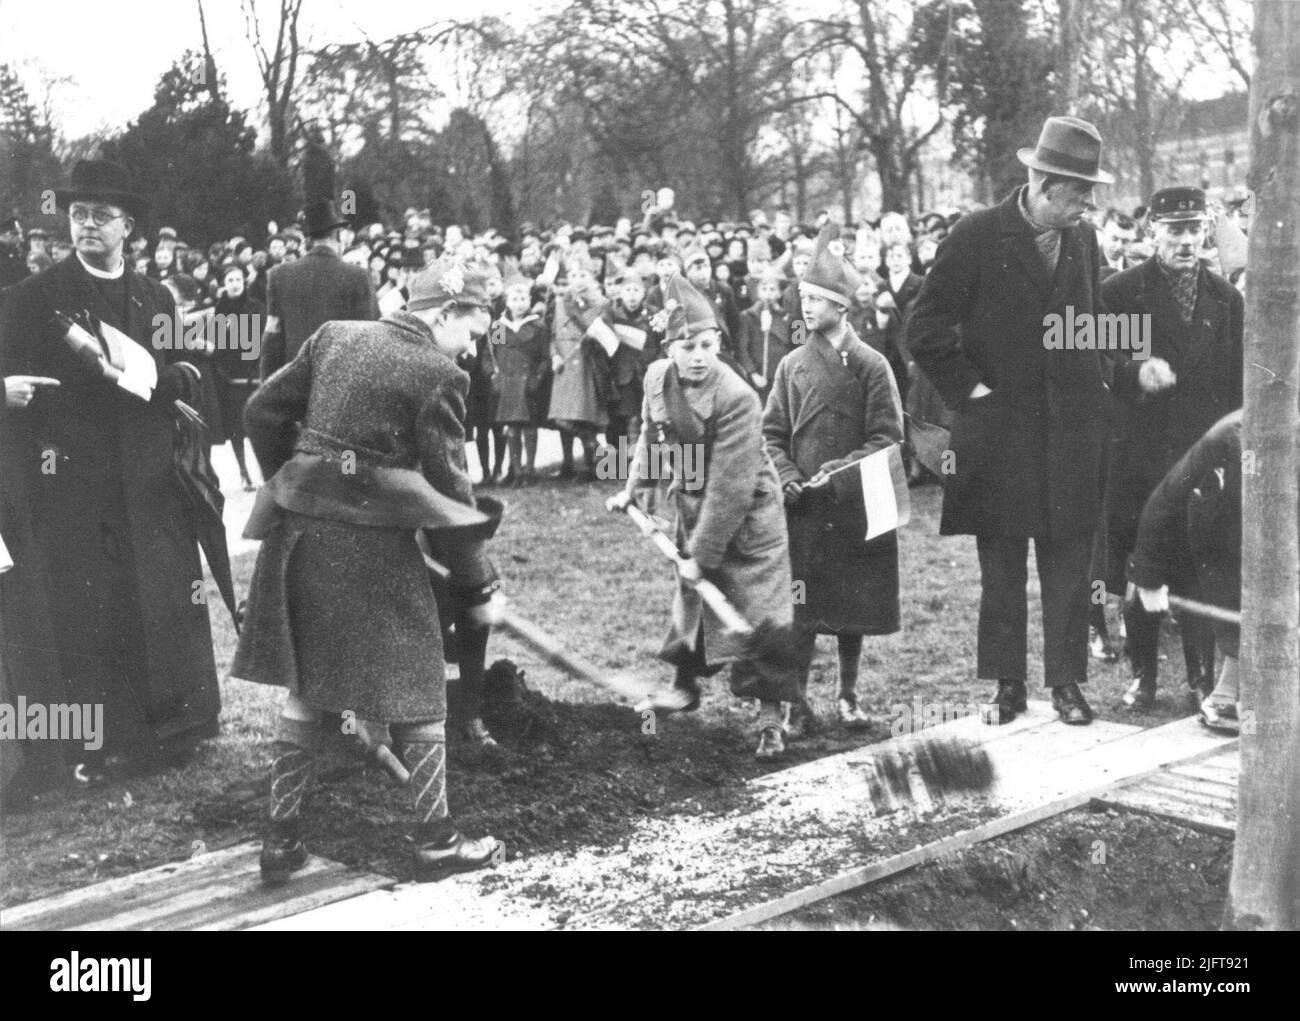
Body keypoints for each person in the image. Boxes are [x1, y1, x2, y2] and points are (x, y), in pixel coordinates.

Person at [233, 261, 504, 882]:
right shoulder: (439, 373)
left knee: (307, 684)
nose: (473, 347)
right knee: (419, 683)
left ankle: (279, 842)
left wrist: (306, 478)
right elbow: (450, 489)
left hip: (298, 537)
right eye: (473, 331)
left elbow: (258, 412)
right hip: (370, 553)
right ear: (442, 316)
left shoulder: (335, 334)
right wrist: (479, 584)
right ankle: (437, 843)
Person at [0, 159, 222, 788]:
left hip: (151, 480)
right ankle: (102, 744)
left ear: (128, 225)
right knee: (95, 611)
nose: (87, 226)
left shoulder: (155, 295)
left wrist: (178, 376)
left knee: (161, 601)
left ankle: (174, 729)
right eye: (77, 215)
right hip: (75, 486)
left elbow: (184, 370)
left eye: (101, 216)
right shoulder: (34, 297)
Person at [907, 116, 1114, 726]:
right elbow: (923, 328)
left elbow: (1091, 322)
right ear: (1046, 185)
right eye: (1080, 194)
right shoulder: (975, 235)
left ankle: (1068, 685)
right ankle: (1007, 686)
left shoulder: (1083, 241)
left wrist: (1115, 374)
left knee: (1071, 563)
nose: (1089, 205)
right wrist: (970, 390)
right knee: (1002, 565)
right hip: (999, 436)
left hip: (1071, 431)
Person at [606, 274, 800, 760]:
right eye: (687, 346)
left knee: (760, 616)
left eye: (707, 345)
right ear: (669, 346)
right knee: (692, 607)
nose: (698, 356)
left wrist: (703, 555)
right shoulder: (656, 379)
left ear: (719, 343)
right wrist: (631, 491)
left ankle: (772, 718)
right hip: (695, 506)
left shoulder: (737, 398)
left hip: (750, 518)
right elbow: (653, 439)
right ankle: (684, 686)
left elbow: (731, 487)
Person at [1099, 187, 1244, 711]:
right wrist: (1135, 372)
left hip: (1202, 458)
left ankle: (1202, 677)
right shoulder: (1120, 294)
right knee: (1142, 562)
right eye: (1174, 230)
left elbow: (1238, 388)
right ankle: (1143, 675)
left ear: (1206, 231)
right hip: (1138, 456)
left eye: (1193, 230)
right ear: (1151, 232)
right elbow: (1095, 364)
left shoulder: (1227, 301)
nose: (1185, 242)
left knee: (1201, 565)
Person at [763, 226, 904, 733]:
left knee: (852, 607)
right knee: (802, 608)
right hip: (802, 507)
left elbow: (888, 437)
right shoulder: (790, 366)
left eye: (817, 299)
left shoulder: (872, 364)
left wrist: (834, 474)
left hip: (853, 503)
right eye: (803, 297)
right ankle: (797, 701)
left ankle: (848, 695)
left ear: (842, 307)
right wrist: (786, 476)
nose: (806, 307)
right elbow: (771, 433)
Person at [1128, 410, 1243, 732]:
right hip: (1225, 535)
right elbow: (1165, 499)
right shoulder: (1227, 435)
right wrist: (1148, 579)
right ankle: (1229, 693)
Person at [258, 199, 378, 380]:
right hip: (341, 384)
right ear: (337, 235)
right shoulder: (358, 276)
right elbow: (371, 335)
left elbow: (272, 337)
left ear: (308, 238)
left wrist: (267, 387)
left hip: (296, 382)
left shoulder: (279, 275)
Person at [492, 268, 550, 485]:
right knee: (512, 428)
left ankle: (530, 470)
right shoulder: (498, 326)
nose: (519, 303)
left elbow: (545, 357)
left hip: (528, 384)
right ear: (507, 301)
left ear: (529, 299)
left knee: (529, 427)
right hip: (507, 383)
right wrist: (493, 376)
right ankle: (516, 471)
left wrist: (538, 377)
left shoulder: (538, 325)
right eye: (514, 299)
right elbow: (493, 354)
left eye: (523, 298)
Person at [212, 262, 266, 489]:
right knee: (235, 426)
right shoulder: (219, 310)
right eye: (230, 281)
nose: (234, 285)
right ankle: (244, 472)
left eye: (237, 280)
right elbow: (216, 342)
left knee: (258, 425)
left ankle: (265, 470)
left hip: (253, 373)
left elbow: (261, 339)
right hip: (229, 376)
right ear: (223, 285)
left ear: (244, 281)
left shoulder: (256, 306)